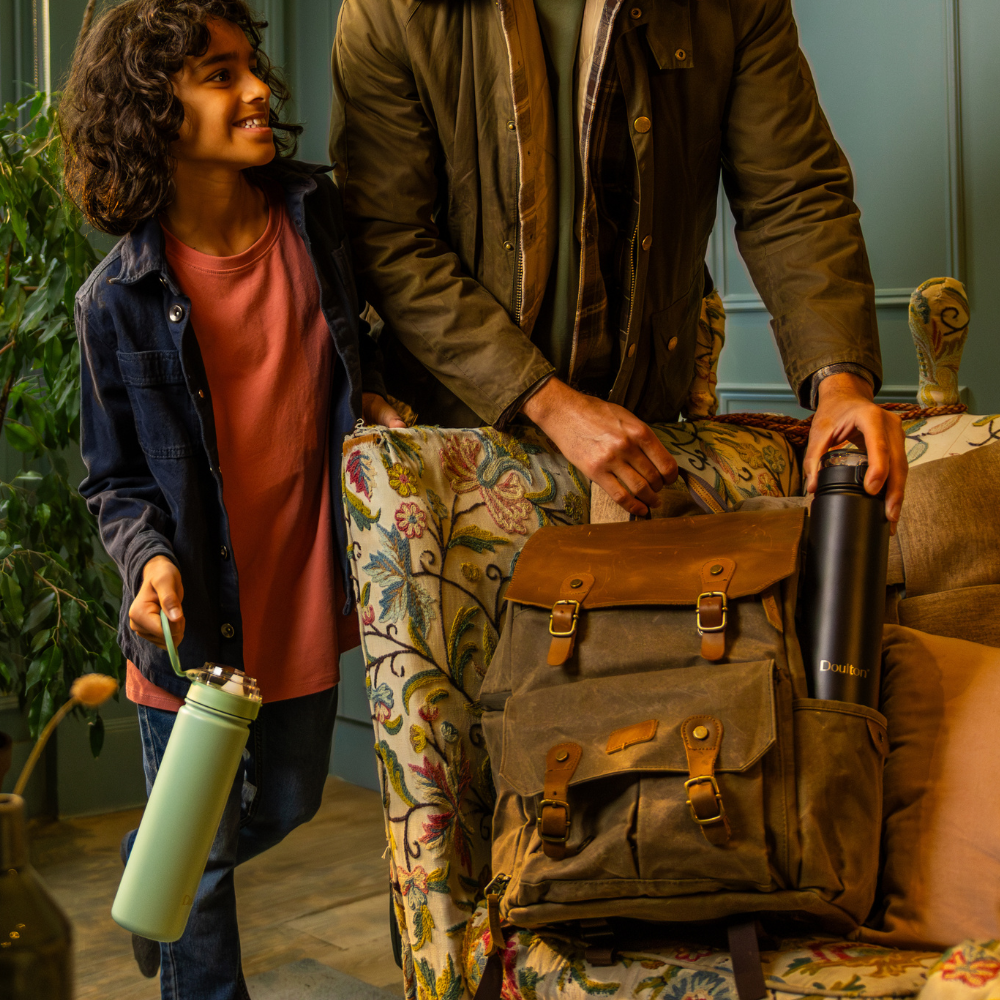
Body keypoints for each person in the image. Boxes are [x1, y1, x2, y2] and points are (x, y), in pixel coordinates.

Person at [62, 1, 402, 996]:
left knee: (291, 799)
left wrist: (375, 394)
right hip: (191, 620)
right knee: (202, 878)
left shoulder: (313, 214)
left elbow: (359, 337)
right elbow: (113, 476)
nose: (258, 89)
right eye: (219, 74)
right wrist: (147, 559)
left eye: (251, 64)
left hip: (303, 589)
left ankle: (148, 864)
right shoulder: (114, 298)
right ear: (150, 111)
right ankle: (176, 885)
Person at [330, 0, 907, 521]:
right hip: (453, 438)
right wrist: (550, 401)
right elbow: (387, 235)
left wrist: (841, 383)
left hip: (645, 435)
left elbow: (794, 195)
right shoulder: (387, 9)